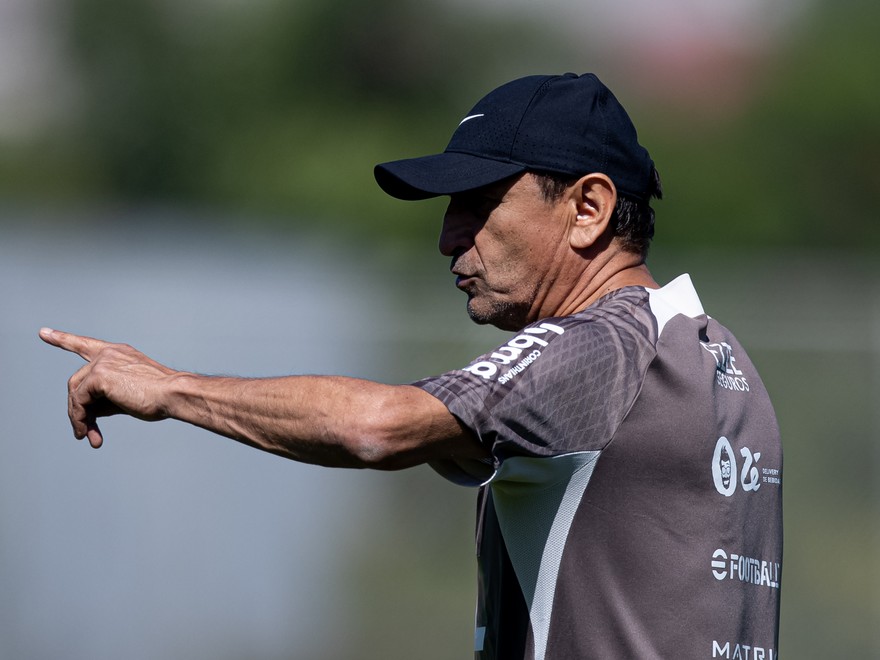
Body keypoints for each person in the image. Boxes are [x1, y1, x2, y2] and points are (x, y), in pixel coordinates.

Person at [41, 72, 782, 659]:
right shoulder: (720, 356)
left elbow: (376, 427)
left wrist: (170, 387)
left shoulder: (599, 349)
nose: (449, 237)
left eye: (479, 202)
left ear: (588, 208)